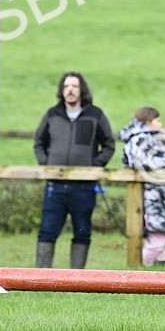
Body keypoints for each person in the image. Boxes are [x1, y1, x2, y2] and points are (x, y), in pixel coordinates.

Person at [32, 72, 116, 269]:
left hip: (83, 187)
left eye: (74, 86)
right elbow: (39, 143)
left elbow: (109, 145)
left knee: (82, 231)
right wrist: (46, 164)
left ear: (81, 90)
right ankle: (40, 277)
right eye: (66, 86)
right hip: (55, 186)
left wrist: (94, 166)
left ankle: (77, 277)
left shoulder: (95, 115)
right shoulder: (52, 115)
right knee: (47, 231)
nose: (70, 90)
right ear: (62, 90)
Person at [120, 107, 165, 267]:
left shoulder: (156, 137)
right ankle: (141, 272)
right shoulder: (138, 139)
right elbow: (142, 161)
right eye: (157, 120)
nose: (160, 124)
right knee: (157, 242)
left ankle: (158, 274)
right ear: (148, 122)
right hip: (151, 196)